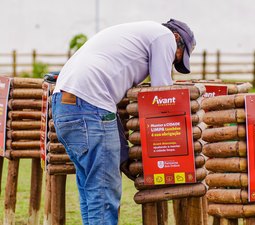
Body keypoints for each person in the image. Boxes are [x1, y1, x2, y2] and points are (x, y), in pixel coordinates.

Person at [51, 18, 196, 225]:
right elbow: (162, 91)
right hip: (90, 106)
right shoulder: (164, 36)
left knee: (90, 190)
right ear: (176, 38)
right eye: (177, 57)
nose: (174, 61)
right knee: (103, 192)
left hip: (64, 105)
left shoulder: (137, 33)